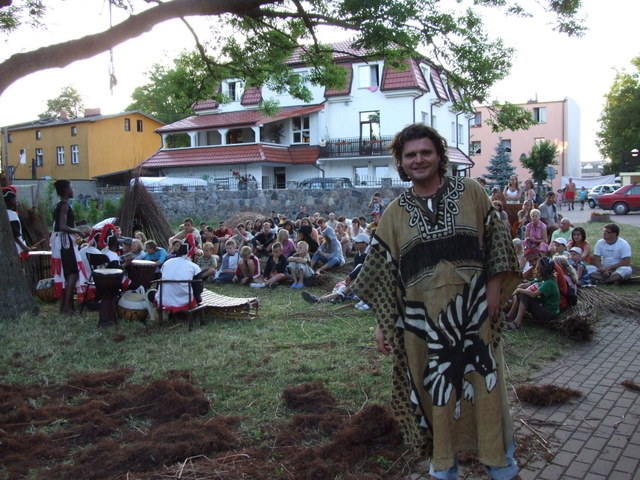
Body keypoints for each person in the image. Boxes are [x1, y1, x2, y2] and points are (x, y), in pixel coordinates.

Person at [351, 124, 521, 480]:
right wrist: (382, 324)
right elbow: (382, 275)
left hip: (475, 318)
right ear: (401, 162)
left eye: (425, 152)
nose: (419, 160)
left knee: (486, 388)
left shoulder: (471, 192)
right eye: (410, 155)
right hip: (423, 330)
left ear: (439, 156)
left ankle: (500, 465)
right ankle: (444, 466)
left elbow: (498, 240)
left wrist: (494, 291)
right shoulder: (394, 213)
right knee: (436, 393)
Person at [50, 180, 89, 315]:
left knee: (67, 274)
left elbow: (62, 224)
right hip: (65, 243)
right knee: (73, 273)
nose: (73, 190)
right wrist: (78, 231)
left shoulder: (59, 204)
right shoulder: (65, 205)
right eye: (71, 187)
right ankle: (66, 308)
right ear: (66, 190)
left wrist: (78, 224)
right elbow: (62, 226)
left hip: (61, 243)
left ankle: (66, 307)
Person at [302, 232, 370, 305]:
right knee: (343, 286)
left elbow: (362, 269)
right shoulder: (358, 255)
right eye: (355, 242)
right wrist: (350, 277)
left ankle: (322, 299)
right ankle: (327, 298)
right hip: (357, 279)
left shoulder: (369, 256)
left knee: (352, 279)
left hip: (367, 280)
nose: (355, 244)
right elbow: (354, 270)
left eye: (357, 242)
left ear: (365, 244)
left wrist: (350, 277)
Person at [505, 256, 559, 330]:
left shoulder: (549, 283)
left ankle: (517, 323)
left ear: (541, 269)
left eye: (538, 267)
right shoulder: (543, 279)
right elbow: (524, 285)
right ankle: (509, 316)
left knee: (524, 294)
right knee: (522, 292)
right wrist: (517, 288)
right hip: (543, 308)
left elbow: (534, 294)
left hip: (548, 314)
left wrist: (519, 290)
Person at [157, 234, 203, 310]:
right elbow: (198, 290)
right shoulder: (194, 267)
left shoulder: (167, 263)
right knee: (199, 298)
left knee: (151, 293)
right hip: (184, 301)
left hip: (163, 300)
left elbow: (159, 282)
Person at [2, 185, 29, 259]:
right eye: (14, 200)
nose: (16, 202)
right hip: (17, 249)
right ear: (10, 201)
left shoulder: (5, 214)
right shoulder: (11, 215)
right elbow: (15, 235)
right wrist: (24, 247)